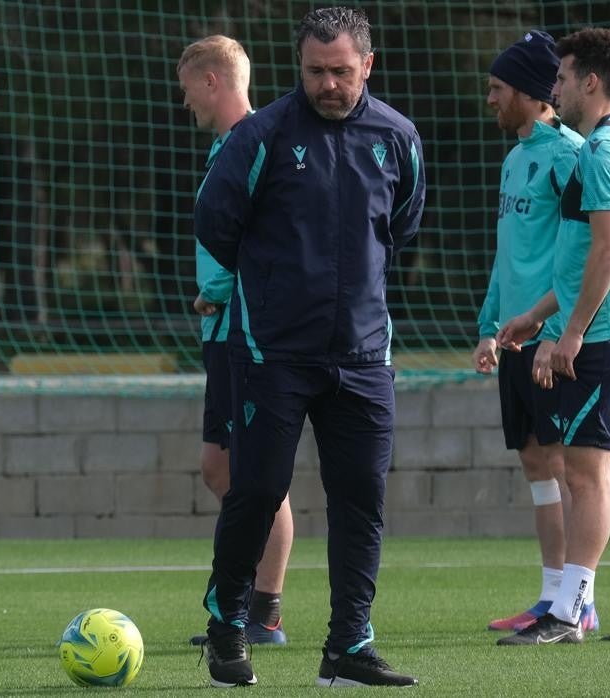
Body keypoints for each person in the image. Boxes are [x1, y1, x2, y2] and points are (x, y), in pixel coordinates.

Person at [192, 7, 425, 688]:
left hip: (363, 359)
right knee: (257, 490)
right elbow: (214, 220)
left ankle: (350, 647)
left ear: (367, 67)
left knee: (362, 501)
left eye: (341, 72)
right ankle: (226, 625)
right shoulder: (260, 136)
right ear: (300, 68)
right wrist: (272, 287)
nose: (328, 84)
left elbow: (401, 225)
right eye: (316, 72)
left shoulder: (398, 137)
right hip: (273, 358)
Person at [494, 26, 610, 647]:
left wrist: (568, 334)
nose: (557, 87)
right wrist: (532, 317)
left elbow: (604, 256)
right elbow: (588, 258)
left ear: (590, 81)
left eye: (564, 76)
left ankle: (567, 611)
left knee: (585, 476)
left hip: (602, 334)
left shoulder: (600, 151)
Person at [473, 30, 599, 635]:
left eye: (498, 88)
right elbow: (507, 257)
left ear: (527, 91)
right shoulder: (515, 157)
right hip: (516, 338)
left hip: (551, 339)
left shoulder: (570, 156)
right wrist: (489, 328)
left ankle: (579, 596)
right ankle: (551, 595)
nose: (490, 99)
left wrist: (555, 328)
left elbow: (585, 255)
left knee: (566, 463)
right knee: (534, 460)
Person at [176, 34, 295, 652]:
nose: (185, 101)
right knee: (219, 468)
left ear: (214, 81)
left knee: (255, 475)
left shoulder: (254, 146)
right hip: (219, 332)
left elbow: (261, 237)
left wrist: (219, 287)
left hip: (246, 331)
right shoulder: (226, 148)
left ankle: (263, 612)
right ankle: (242, 601)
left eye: (188, 87)